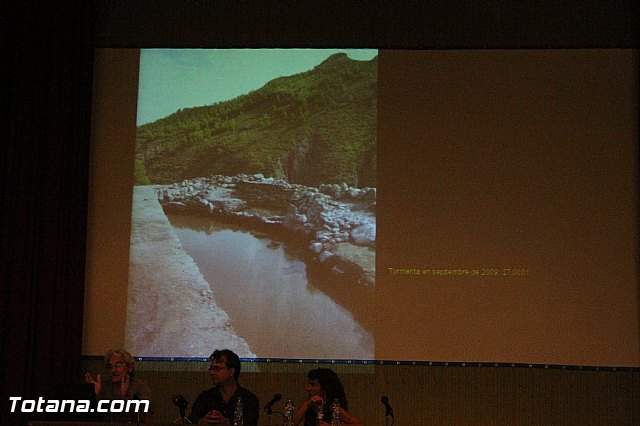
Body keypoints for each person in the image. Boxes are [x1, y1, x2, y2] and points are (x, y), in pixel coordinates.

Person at [190, 349, 260, 425]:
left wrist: (228, 423)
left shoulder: (248, 399)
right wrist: (201, 422)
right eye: (211, 369)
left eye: (217, 369)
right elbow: (190, 420)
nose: (212, 373)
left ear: (231, 372)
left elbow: (250, 422)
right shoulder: (205, 397)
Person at [84, 348, 153, 424]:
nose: (113, 370)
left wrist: (126, 397)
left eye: (118, 365)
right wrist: (95, 395)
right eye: (110, 367)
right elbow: (93, 418)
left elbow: (147, 419)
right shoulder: (103, 386)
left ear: (129, 368)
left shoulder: (139, 386)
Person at [293, 368, 364, 426]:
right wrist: (307, 404)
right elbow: (291, 424)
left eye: (313, 385)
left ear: (324, 389)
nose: (308, 389)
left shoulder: (332, 407)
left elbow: (360, 425)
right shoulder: (307, 405)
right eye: (308, 384)